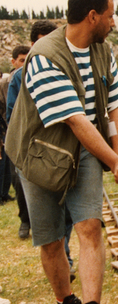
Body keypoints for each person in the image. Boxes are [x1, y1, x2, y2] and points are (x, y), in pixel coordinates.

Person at [6, 0, 118, 304]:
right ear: (92, 16)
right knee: (49, 241)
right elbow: (77, 121)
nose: (114, 23)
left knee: (89, 227)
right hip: (39, 154)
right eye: (110, 15)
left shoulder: (103, 51)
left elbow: (115, 108)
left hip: (82, 152)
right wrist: (112, 159)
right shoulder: (44, 56)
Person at [6, 21, 59, 242]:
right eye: (41, 41)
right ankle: (25, 221)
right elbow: (11, 113)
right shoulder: (18, 77)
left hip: (57, 148)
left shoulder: (61, 70)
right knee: (21, 186)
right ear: (33, 43)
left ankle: (66, 258)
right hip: (28, 147)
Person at [0, 45, 29, 203]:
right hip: (9, 130)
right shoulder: (5, 82)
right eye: (21, 60)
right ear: (13, 62)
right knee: (11, 171)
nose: (25, 64)